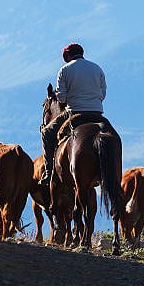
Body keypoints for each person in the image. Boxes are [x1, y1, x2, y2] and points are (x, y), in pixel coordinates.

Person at [40, 43, 108, 184]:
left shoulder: (64, 70)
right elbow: (102, 94)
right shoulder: (97, 68)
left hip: (74, 112)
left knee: (47, 132)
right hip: (97, 112)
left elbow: (62, 99)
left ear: (67, 57)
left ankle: (48, 172)